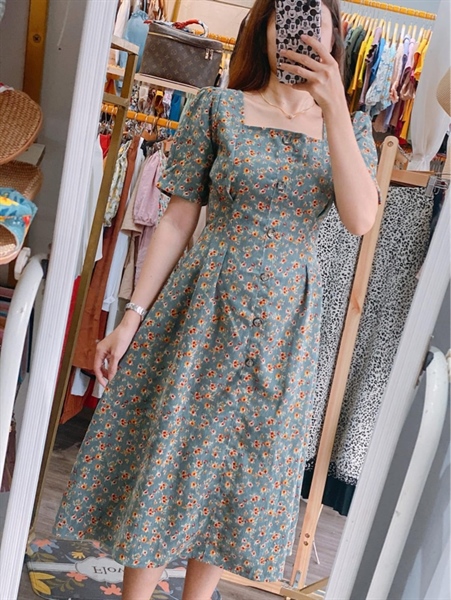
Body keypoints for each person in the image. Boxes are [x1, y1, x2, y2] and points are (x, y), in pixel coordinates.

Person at [54, 0, 379, 598]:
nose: (301, 33)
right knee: (174, 450)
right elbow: (178, 220)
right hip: (204, 304)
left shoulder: (351, 129)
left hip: (285, 322)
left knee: (239, 467)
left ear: (335, 34)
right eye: (288, 17)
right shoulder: (218, 108)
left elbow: (360, 219)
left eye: (315, 20)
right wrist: (130, 319)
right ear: (267, 27)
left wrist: (334, 108)